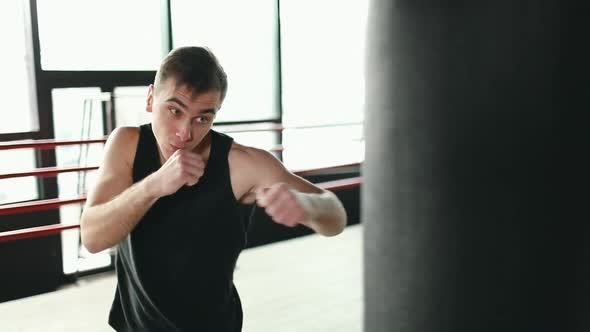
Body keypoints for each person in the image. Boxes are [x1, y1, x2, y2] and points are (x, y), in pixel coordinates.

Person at [79, 46, 347, 332]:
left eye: (202, 118)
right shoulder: (127, 145)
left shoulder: (241, 164)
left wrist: (307, 207)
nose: (185, 132)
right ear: (150, 99)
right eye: (174, 110)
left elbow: (335, 215)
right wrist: (153, 186)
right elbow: (93, 238)